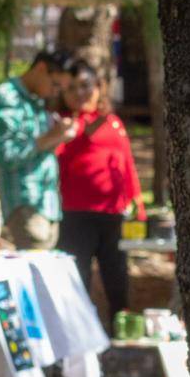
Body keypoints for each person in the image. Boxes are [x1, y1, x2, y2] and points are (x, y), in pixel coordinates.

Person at [54, 60, 143, 321]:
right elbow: (64, 149)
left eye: (85, 86)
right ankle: (79, 335)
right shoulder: (63, 125)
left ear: (98, 87)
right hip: (75, 215)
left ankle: (120, 328)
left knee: (116, 276)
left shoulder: (113, 123)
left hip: (113, 214)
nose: (79, 93)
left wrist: (136, 200)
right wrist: (71, 132)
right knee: (77, 277)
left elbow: (126, 164)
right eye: (71, 89)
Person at [0, 47, 78, 248]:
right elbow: (5, 157)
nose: (56, 92)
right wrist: (51, 137)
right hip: (25, 204)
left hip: (48, 204)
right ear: (40, 68)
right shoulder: (8, 97)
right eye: (55, 84)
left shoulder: (36, 100)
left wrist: (58, 136)